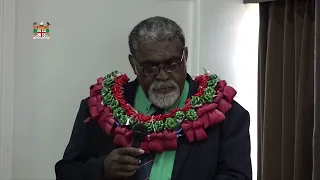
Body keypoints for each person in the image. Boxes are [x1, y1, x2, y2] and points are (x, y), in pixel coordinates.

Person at [55, 16, 252, 180]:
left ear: (185, 56)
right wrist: (102, 169)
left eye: (172, 63)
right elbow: (66, 172)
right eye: (150, 67)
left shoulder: (226, 116)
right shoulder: (98, 110)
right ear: (133, 64)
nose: (163, 76)